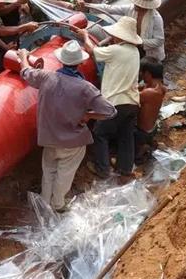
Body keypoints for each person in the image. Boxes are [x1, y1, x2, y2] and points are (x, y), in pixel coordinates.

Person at [19, 40, 116, 212]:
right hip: (73, 142)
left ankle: (44, 202)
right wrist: (89, 115)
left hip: (49, 138)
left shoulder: (46, 77)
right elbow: (110, 111)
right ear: (80, 63)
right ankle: (58, 205)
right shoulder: (86, 88)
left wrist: (23, 56)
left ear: (61, 60)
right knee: (64, 173)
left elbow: (26, 72)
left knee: (48, 170)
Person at [78, 16, 142, 182]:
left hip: (115, 102)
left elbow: (92, 52)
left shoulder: (115, 50)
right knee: (126, 135)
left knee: (100, 133)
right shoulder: (134, 52)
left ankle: (103, 170)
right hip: (132, 102)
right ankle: (125, 169)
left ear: (120, 36)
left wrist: (85, 35)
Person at [77, 0, 165, 61]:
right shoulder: (130, 9)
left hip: (149, 54)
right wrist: (87, 5)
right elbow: (109, 8)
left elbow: (159, 40)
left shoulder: (156, 18)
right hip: (133, 48)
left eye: (138, 3)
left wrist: (139, 42)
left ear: (145, 6)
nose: (135, 4)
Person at [135, 57, 167, 164]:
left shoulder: (148, 92)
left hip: (141, 131)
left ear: (148, 74)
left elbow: (130, 99)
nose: (141, 76)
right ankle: (148, 143)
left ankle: (141, 149)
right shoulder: (161, 88)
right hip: (151, 128)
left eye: (142, 73)